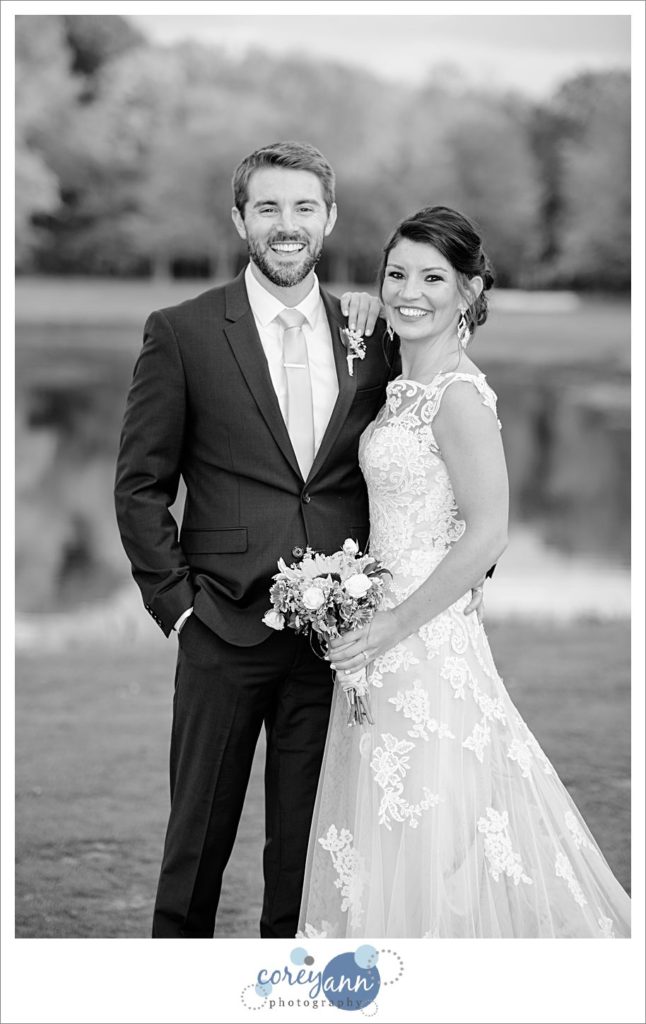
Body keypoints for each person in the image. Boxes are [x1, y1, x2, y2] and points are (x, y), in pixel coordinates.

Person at [114, 142, 483, 938]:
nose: (288, 225)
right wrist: (178, 608)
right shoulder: (181, 332)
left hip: (339, 647)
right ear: (240, 217)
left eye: (304, 208)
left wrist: (464, 576)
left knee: (310, 859)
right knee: (196, 849)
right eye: (270, 208)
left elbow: (437, 459)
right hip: (220, 628)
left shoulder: (374, 334)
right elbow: (141, 484)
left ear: (330, 219)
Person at [297, 205, 631, 938]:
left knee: (440, 830)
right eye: (396, 274)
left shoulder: (459, 397)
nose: (408, 292)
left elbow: (488, 535)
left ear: (470, 292)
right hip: (379, 648)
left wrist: (390, 625)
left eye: (433, 278)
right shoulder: (403, 381)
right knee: (394, 829)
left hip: (422, 645)